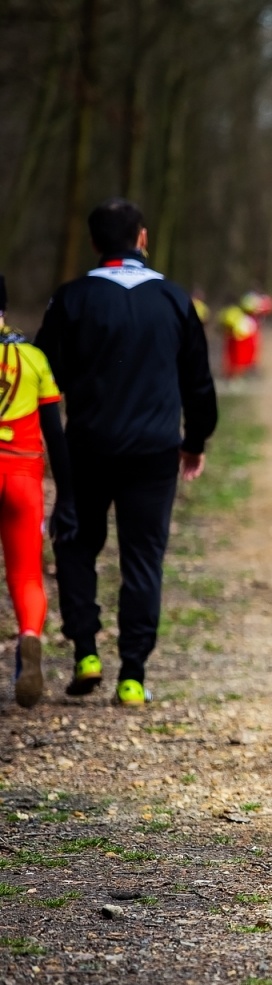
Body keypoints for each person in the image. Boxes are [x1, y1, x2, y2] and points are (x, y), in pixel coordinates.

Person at [33, 198, 218, 706]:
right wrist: (194, 441)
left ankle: (86, 652)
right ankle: (133, 675)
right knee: (143, 558)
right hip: (155, 452)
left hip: (86, 448)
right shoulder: (174, 299)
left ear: (94, 243)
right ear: (142, 237)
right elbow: (199, 384)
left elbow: (46, 376)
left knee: (75, 543)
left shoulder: (71, 299)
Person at [0, 275, 72, 707]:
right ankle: (29, 637)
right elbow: (55, 434)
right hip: (23, 475)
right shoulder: (34, 358)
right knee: (26, 573)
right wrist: (67, 493)